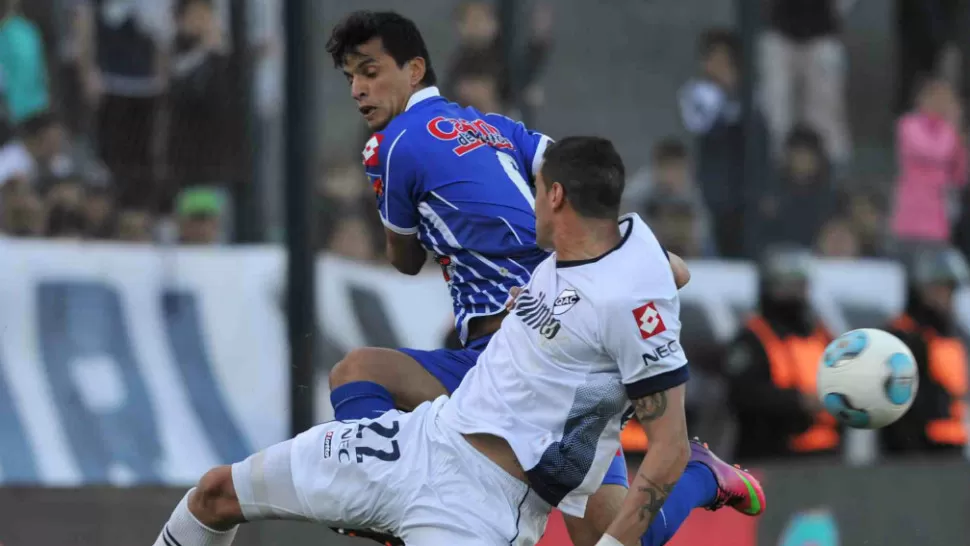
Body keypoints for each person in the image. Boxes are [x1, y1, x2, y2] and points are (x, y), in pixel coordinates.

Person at [150, 135, 765, 546]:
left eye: (535, 188)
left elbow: (667, 446)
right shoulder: (608, 243)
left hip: (484, 509)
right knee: (216, 491)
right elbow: (668, 268)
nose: (528, 202)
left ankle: (709, 481)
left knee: (626, 526)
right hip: (420, 440)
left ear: (554, 196)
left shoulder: (632, 301)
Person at [322, 11, 757, 546]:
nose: (359, 89)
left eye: (370, 71)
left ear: (414, 70)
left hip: (514, 357)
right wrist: (637, 256)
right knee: (616, 536)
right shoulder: (498, 127)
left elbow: (404, 259)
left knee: (357, 373)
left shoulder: (389, 146)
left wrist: (441, 227)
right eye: (351, 78)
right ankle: (704, 474)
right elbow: (574, 175)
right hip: (564, 356)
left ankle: (370, 493)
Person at [724, 246, 841, 461]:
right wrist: (800, 401)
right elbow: (742, 393)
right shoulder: (752, 338)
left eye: (800, 285)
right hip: (772, 456)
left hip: (827, 454)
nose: (794, 292)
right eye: (786, 285)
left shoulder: (822, 334)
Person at [881, 247, 970, 456]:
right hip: (915, 448)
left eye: (950, 289)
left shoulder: (956, 332)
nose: (945, 296)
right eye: (939, 287)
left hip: (953, 442)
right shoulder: (904, 332)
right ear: (922, 288)